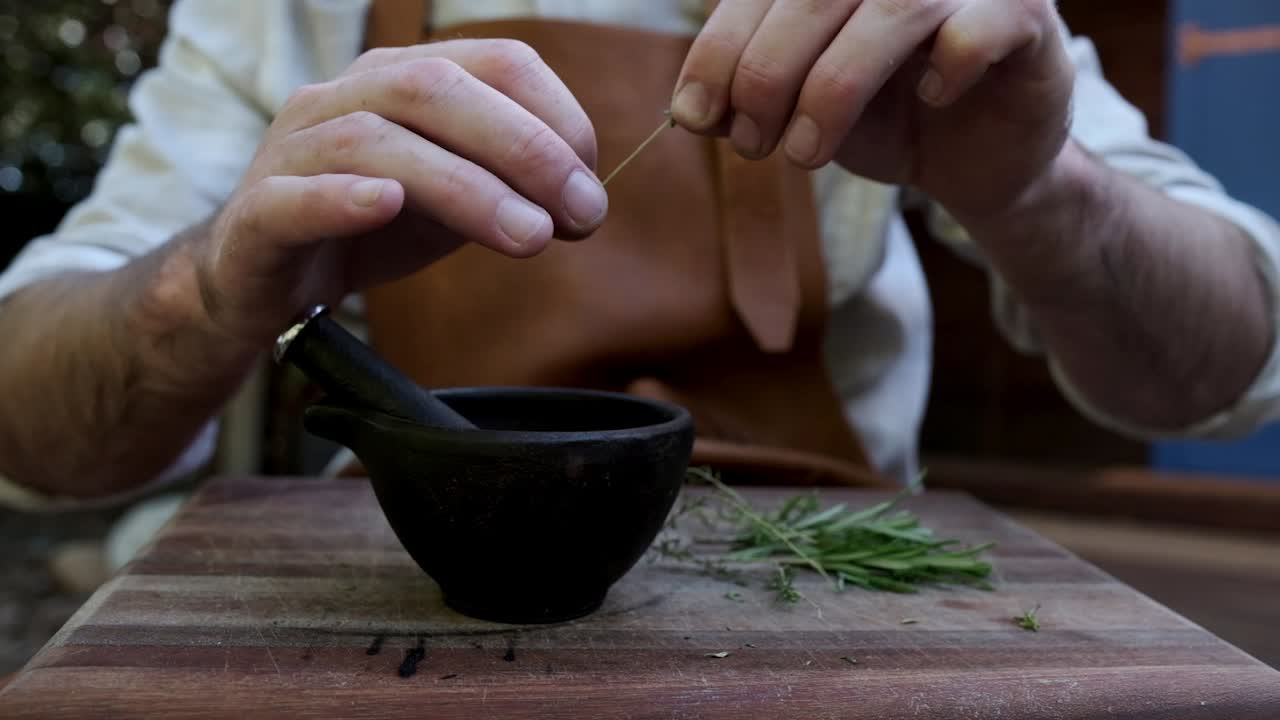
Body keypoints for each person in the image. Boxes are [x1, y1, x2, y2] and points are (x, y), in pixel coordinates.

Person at [2, 0, 1279, 515]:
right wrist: (206, 286)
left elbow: (1233, 368)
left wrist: (1039, 191)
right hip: (404, 589)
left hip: (833, 595)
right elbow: (29, 418)